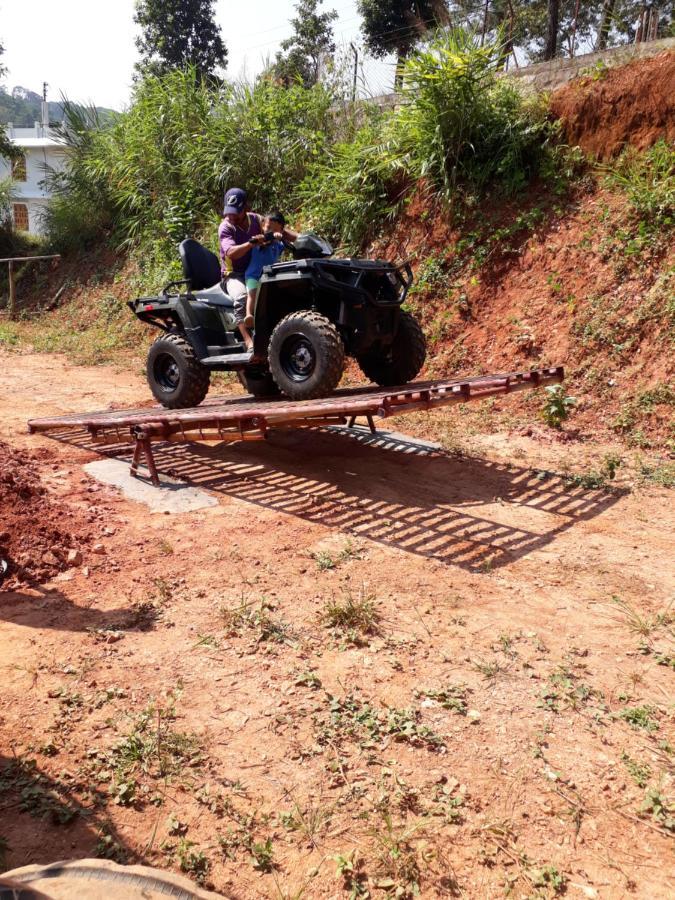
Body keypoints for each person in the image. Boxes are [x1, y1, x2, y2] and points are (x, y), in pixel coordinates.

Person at [217, 188, 296, 351]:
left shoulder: (255, 219)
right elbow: (231, 252)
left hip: (258, 270)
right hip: (233, 275)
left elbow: (277, 229)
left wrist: (303, 239)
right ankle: (247, 340)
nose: (231, 217)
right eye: (228, 212)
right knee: (241, 296)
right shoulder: (226, 227)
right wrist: (251, 243)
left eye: (235, 213)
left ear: (246, 208)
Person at [243, 211, 297, 329]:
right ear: (263, 226)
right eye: (268, 228)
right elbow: (263, 243)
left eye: (275, 230)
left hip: (268, 278)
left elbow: (291, 244)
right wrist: (272, 235)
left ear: (282, 231)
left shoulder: (277, 245)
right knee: (252, 293)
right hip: (253, 276)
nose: (270, 231)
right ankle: (249, 315)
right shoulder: (259, 240)